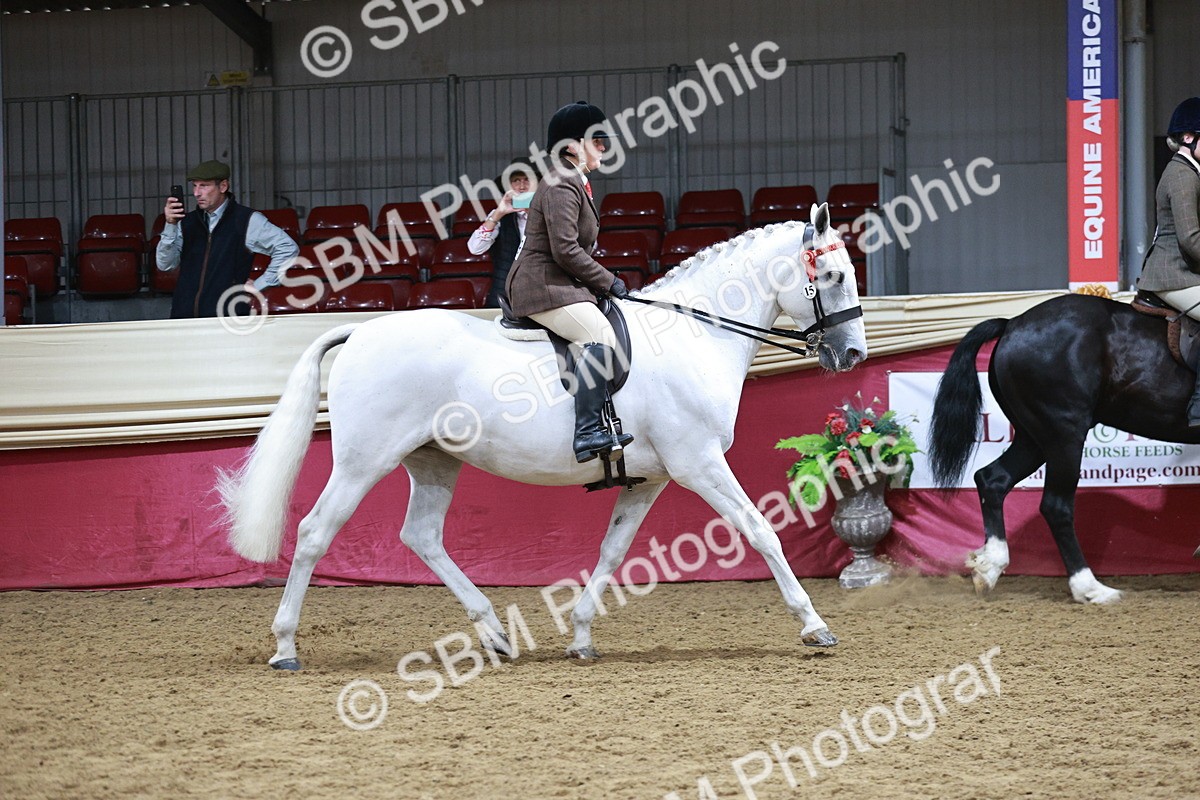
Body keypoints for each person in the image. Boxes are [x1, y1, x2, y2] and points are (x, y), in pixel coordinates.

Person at [506, 101, 633, 463]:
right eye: (599, 141)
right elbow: (564, 249)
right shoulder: (562, 180)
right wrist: (609, 281)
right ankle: (588, 433)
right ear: (574, 145)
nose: (605, 148)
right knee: (599, 336)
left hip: (558, 281)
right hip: (541, 283)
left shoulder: (575, 179)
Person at [156, 160, 298, 319]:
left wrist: (260, 284)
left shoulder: (246, 220)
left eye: (204, 186)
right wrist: (170, 224)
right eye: (194, 186)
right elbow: (165, 264)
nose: (196, 193)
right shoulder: (186, 223)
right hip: (184, 317)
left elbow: (288, 248)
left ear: (223, 186)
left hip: (229, 319)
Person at [1136, 96, 1200, 425]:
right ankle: (1199, 402)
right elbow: (1191, 240)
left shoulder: (1191, 171)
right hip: (1173, 274)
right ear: (1189, 137)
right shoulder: (1183, 176)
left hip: (1185, 271)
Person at [468, 157, 538, 308]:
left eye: (527, 180)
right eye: (516, 181)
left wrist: (537, 214)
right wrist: (498, 214)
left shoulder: (550, 213)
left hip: (541, 293)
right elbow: (475, 248)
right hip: (504, 295)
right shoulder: (499, 215)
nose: (521, 186)